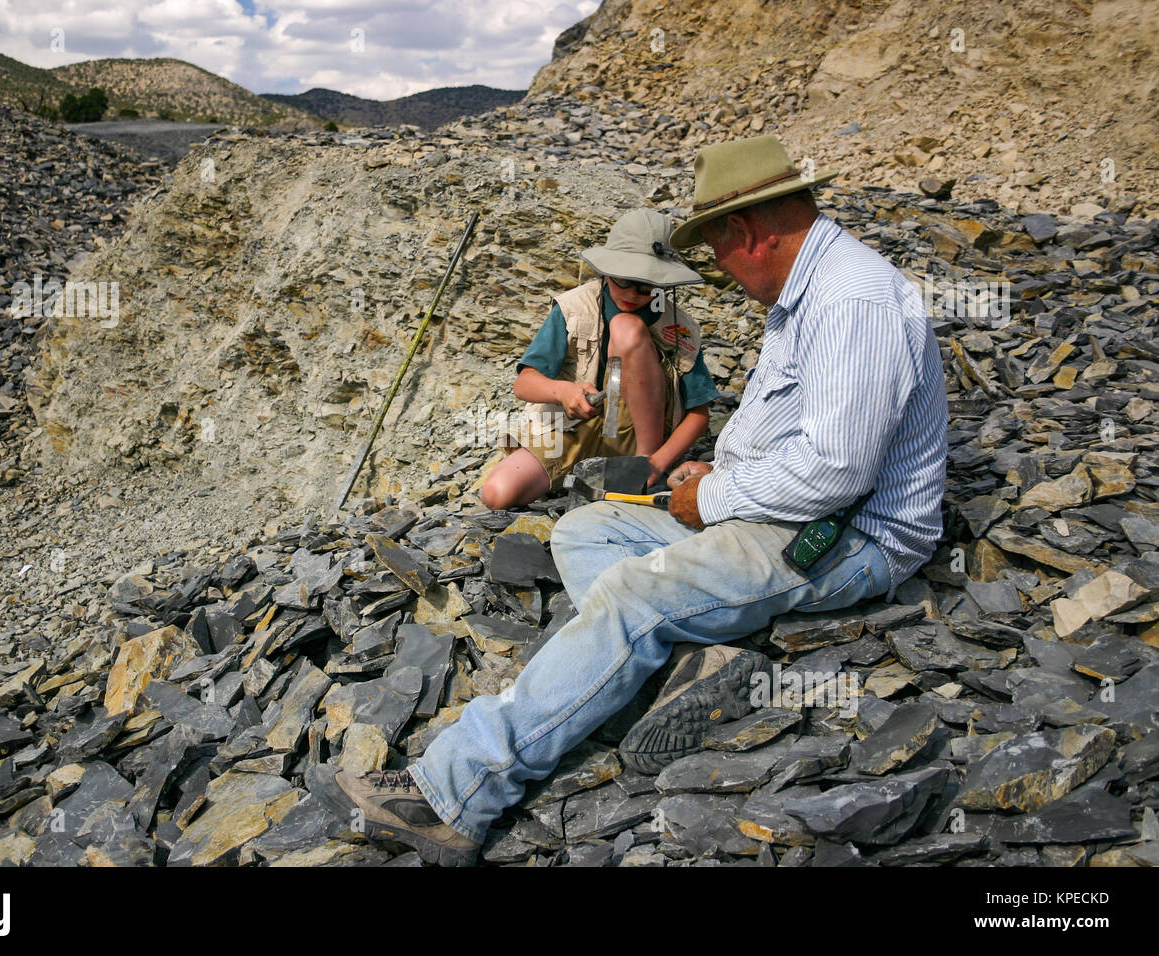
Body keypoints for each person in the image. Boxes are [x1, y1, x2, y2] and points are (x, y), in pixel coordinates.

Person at [309, 134, 949, 866]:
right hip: (773, 506)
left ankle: (453, 795)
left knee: (629, 594)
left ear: (745, 231)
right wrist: (712, 483)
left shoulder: (851, 300)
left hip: (844, 536)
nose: (723, 273)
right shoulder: (807, 293)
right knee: (584, 531)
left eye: (715, 250)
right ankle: (682, 670)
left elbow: (837, 471)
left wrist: (712, 498)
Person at [479, 209, 719, 508]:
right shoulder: (574, 308)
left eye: (647, 286)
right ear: (606, 271)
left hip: (638, 439)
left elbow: (699, 414)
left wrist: (657, 462)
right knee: (497, 494)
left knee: (625, 327)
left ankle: (638, 469)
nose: (633, 293)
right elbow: (524, 384)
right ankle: (597, 473)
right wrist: (562, 391)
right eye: (623, 280)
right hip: (572, 428)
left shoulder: (679, 328)